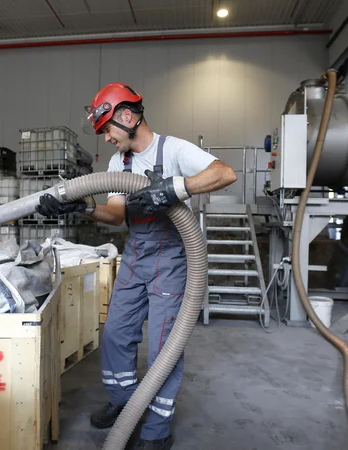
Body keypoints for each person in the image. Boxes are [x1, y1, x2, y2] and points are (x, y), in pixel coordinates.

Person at [35, 82, 236, 450]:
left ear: (127, 116)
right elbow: (115, 215)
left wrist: (176, 189)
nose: (107, 138)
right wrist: (81, 206)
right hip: (136, 253)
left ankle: (157, 429)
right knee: (115, 333)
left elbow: (224, 173)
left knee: (165, 346)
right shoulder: (118, 163)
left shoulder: (172, 149)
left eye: (108, 129)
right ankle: (124, 399)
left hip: (172, 255)